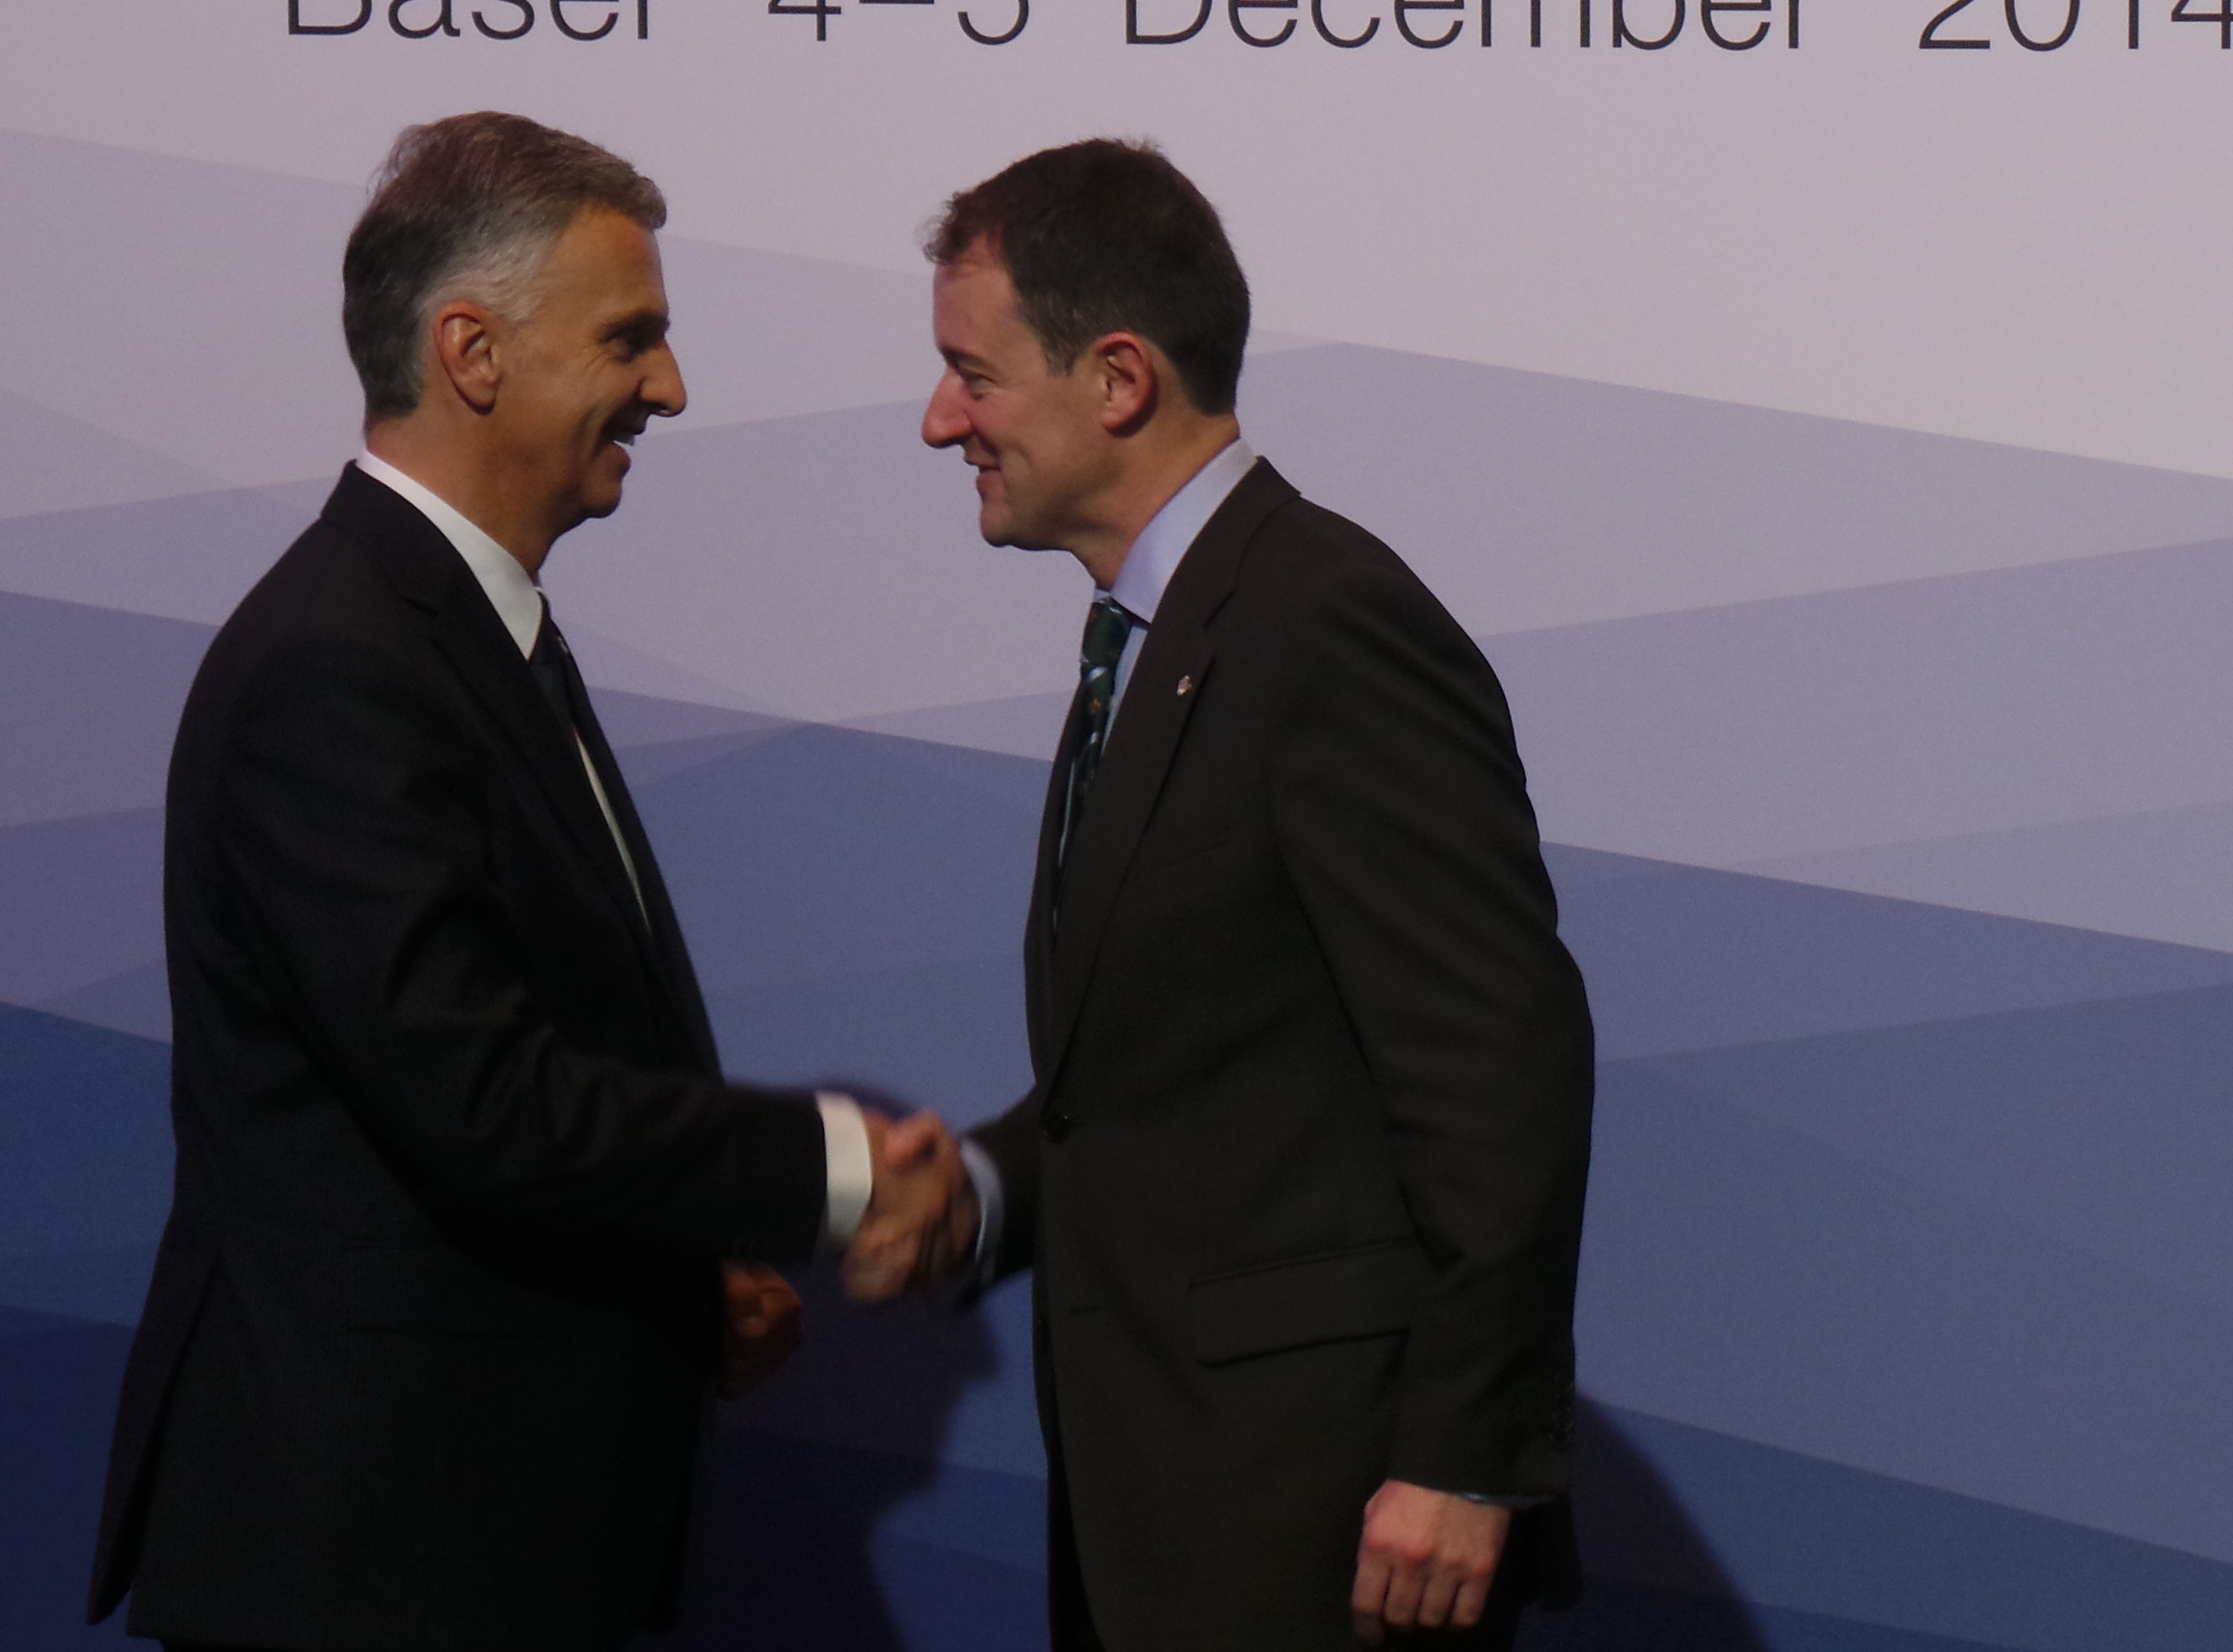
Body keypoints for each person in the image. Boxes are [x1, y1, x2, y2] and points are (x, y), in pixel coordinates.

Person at [84, 112, 976, 1652]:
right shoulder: (339, 669)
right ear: (473, 353)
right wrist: (834, 1171)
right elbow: (479, 1099)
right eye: (630, 340)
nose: (672, 390)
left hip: (473, 1544)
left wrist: (684, 1286)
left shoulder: (458, 638)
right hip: (376, 1569)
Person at [916, 140, 1595, 1649]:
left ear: (1118, 379)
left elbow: (1499, 1063)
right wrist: (972, 1192)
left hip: (1323, 1524)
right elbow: (1185, 1074)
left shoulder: (1328, 626)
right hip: (1172, 1510)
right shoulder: (1160, 639)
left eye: (976, 377)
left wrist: (1461, 1457)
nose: (937, 420)